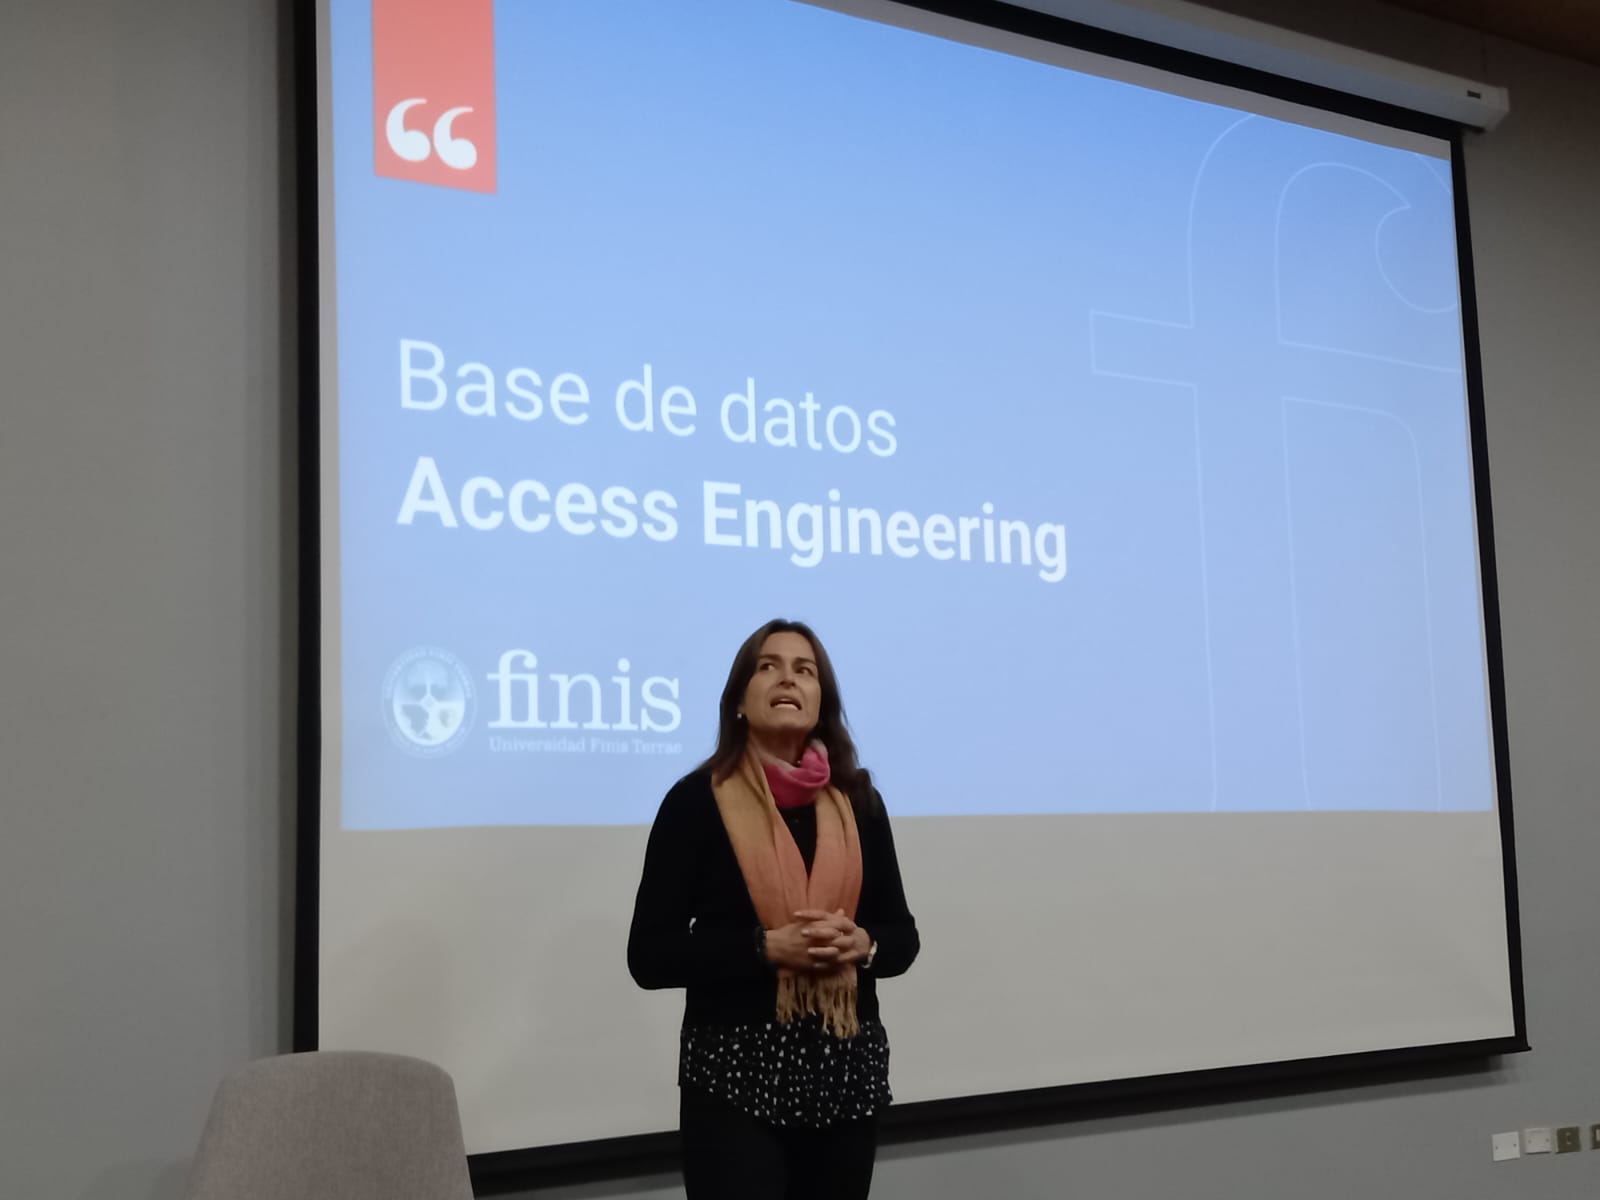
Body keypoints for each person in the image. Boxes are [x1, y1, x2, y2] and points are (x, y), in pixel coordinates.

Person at [628, 618, 920, 1199]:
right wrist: (763, 948)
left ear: (821, 701)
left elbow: (902, 937)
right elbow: (650, 956)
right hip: (733, 1078)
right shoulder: (695, 802)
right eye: (768, 666)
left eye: (804, 670)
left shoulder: (859, 802)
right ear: (739, 701)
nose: (788, 678)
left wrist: (864, 945)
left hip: (845, 1073)